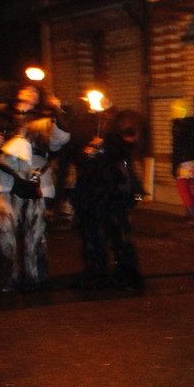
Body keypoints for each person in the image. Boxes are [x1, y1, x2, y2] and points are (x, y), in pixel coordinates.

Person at [0, 115, 69, 291]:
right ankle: (4, 278)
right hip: (6, 179)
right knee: (4, 230)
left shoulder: (43, 118)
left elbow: (59, 141)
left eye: (34, 91)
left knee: (35, 231)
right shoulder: (2, 115)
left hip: (35, 181)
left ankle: (35, 276)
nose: (30, 93)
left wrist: (59, 116)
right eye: (27, 89)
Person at [74, 110, 147, 291]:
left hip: (115, 196)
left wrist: (104, 147)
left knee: (120, 236)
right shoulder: (91, 135)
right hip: (95, 195)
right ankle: (99, 271)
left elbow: (124, 158)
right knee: (96, 236)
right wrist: (89, 153)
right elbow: (81, 161)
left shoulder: (117, 143)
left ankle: (125, 273)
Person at [169, 99, 194, 227]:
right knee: (191, 189)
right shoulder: (192, 124)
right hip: (193, 161)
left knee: (184, 190)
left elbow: (177, 149)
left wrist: (175, 165)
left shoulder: (178, 126)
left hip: (183, 162)